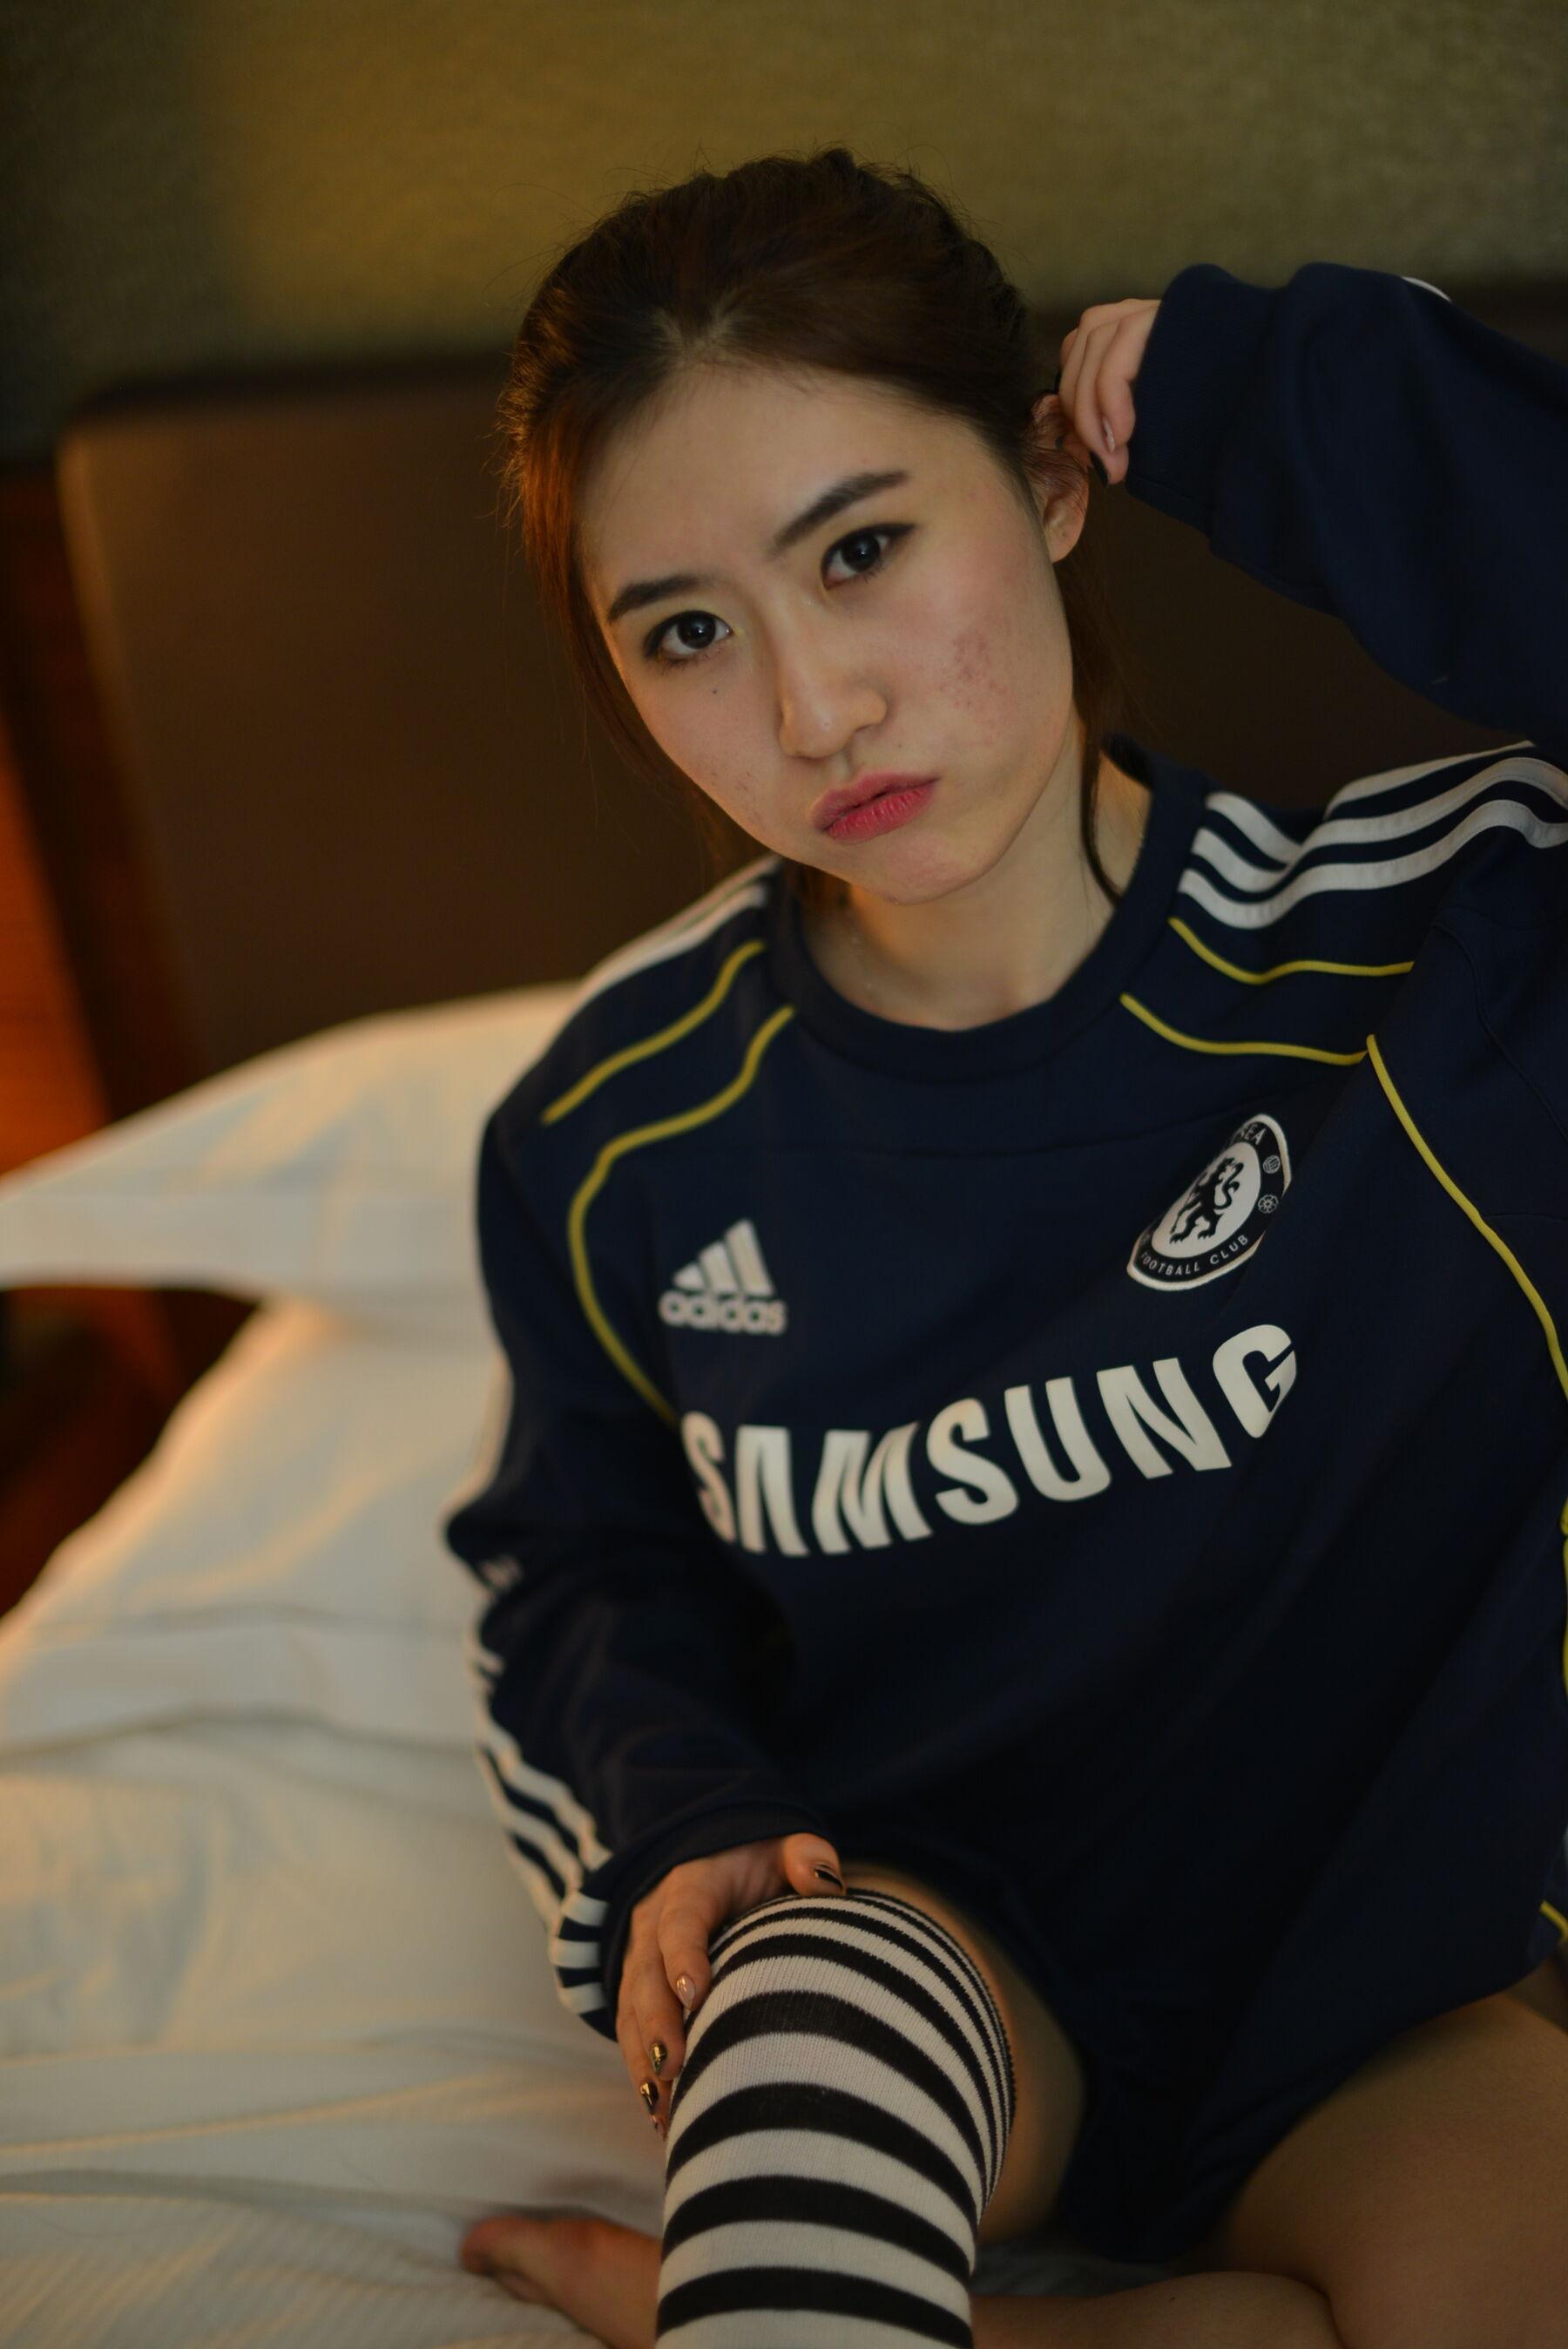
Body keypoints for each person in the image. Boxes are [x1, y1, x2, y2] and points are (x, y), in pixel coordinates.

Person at [443, 145, 1568, 2347]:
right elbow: (582, 1563)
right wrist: (685, 1813)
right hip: (937, 1954)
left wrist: (1292, 395)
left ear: (1051, 476)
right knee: (815, 2002)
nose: (814, 710)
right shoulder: (615, 1128)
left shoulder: (1443, 956)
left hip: (1404, 1987)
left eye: (861, 549)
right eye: (688, 631)